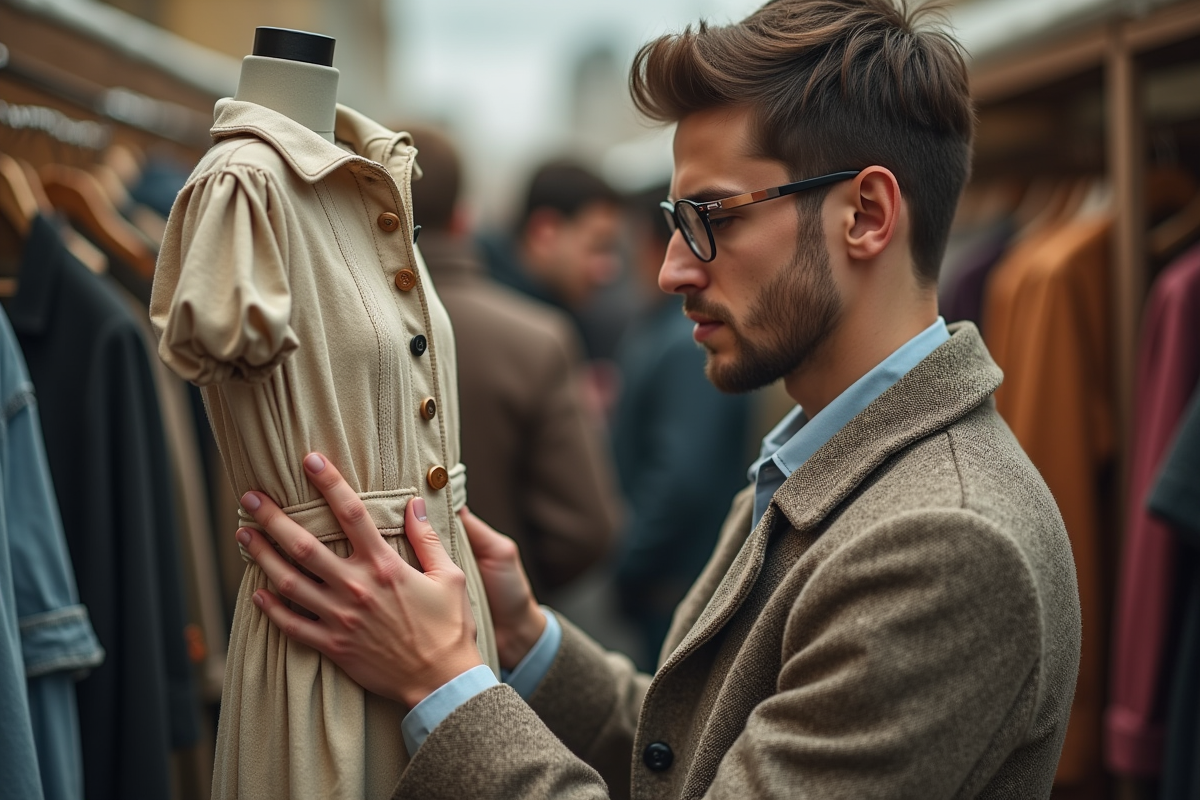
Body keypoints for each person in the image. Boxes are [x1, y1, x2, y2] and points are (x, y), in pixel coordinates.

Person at [232, 1, 1082, 797]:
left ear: (865, 214)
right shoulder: (818, 454)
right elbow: (699, 754)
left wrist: (442, 683)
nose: (673, 266)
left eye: (713, 215)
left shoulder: (946, 542)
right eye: (679, 218)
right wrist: (525, 635)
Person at [404, 124, 621, 597]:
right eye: (598, 245)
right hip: (492, 635)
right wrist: (516, 601)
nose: (609, 268)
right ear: (462, 220)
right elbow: (586, 530)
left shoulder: (306, 329)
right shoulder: (539, 338)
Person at [610, 184, 751, 669]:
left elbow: (681, 476)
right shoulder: (663, 333)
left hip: (673, 583)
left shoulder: (685, 342)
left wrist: (631, 566)